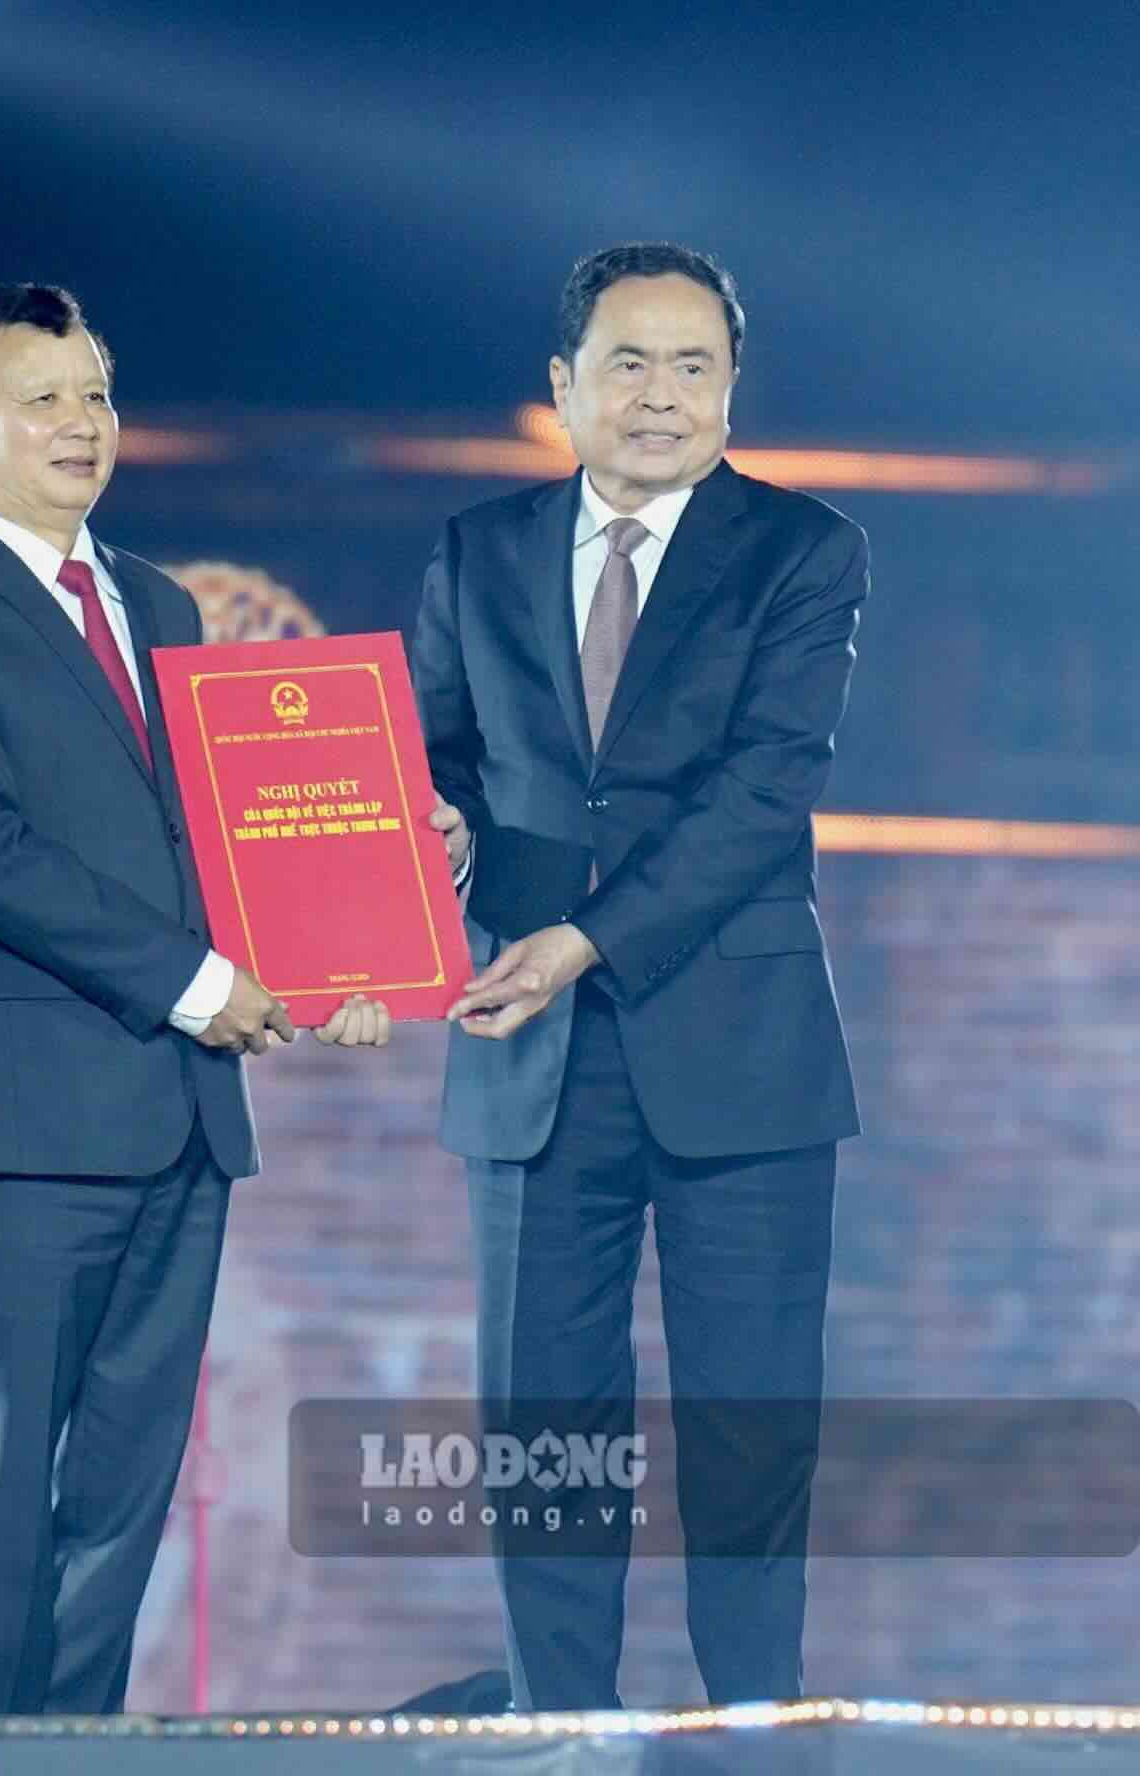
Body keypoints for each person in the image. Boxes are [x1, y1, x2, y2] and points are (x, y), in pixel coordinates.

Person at [0, 282, 389, 1716]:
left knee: (126, 1495)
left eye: (97, 395)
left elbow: (220, 825)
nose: (85, 426)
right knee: (3, 1483)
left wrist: (362, 917)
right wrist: (200, 981)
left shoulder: (156, 601)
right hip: (18, 1129)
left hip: (182, 1120)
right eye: (46, 400)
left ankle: (71, 1751)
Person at [410, 242, 866, 1709]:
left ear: (734, 388)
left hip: (740, 1046)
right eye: (626, 360)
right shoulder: (477, 550)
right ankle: (564, 1730)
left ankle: (755, 1732)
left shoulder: (805, 552)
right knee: (543, 1426)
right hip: (530, 1057)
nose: (658, 395)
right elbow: (431, 761)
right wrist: (436, 835)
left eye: (691, 365)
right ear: (562, 386)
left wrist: (590, 939)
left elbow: (766, 791)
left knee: (746, 1433)